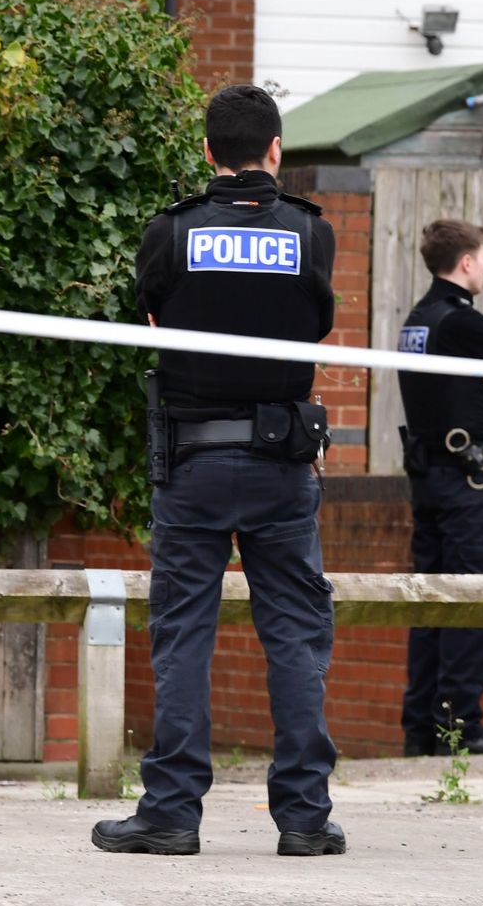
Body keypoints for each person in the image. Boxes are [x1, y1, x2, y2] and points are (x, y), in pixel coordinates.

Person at [91, 85, 344, 857]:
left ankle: (171, 810)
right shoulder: (312, 235)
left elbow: (154, 320)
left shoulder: (169, 234)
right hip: (281, 465)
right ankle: (303, 817)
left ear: (206, 153)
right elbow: (318, 321)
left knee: (183, 636)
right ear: (276, 150)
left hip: (194, 461)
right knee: (297, 636)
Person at [396, 218, 483, 757]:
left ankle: (422, 730)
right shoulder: (461, 323)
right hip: (467, 480)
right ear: (467, 263)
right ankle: (461, 726)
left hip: (429, 477)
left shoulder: (417, 320)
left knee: (431, 603)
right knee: (475, 600)